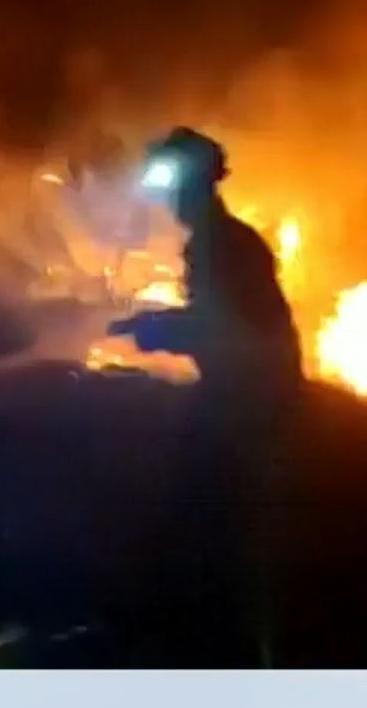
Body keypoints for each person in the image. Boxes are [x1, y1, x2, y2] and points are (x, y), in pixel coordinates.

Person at [109, 127, 301, 663]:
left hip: (246, 408)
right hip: (247, 402)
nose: (166, 202)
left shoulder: (222, 245)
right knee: (224, 540)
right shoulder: (223, 240)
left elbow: (227, 329)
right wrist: (150, 323)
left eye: (172, 188)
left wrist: (155, 332)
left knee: (223, 543)